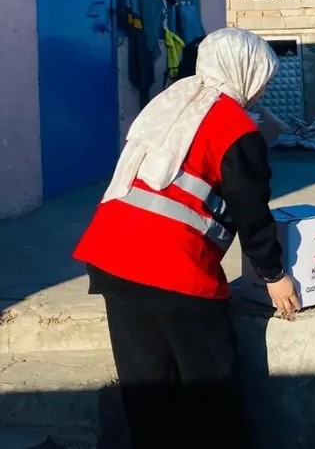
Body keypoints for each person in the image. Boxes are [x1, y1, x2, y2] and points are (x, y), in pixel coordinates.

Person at [72, 27, 300, 449]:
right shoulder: (235, 126)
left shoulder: (172, 102)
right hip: (172, 271)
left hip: (111, 256)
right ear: (244, 71)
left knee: (149, 395)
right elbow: (252, 211)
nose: (264, 89)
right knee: (213, 398)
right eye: (263, 78)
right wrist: (274, 274)